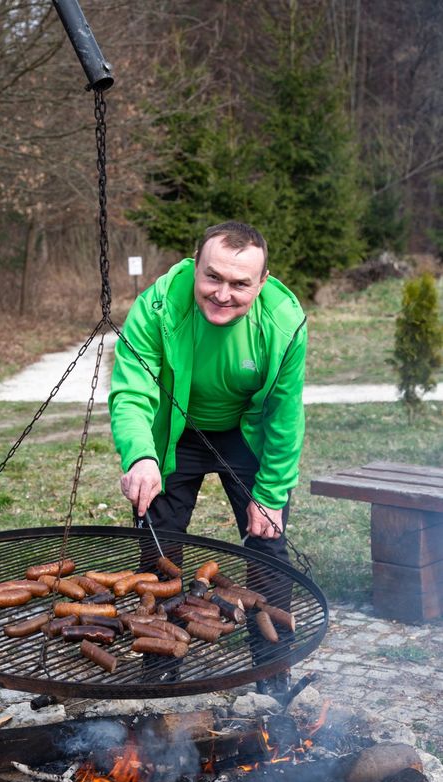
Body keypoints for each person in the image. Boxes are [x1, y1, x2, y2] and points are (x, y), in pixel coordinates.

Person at [108, 221, 307, 697]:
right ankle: (159, 673)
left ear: (262, 283)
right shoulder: (159, 305)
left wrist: (271, 494)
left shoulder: (283, 322)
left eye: (240, 284)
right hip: (176, 432)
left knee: (267, 544)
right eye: (212, 278)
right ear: (194, 267)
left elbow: (285, 414)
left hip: (246, 430)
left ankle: (272, 673)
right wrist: (140, 457)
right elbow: (132, 388)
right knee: (157, 541)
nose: (223, 294)